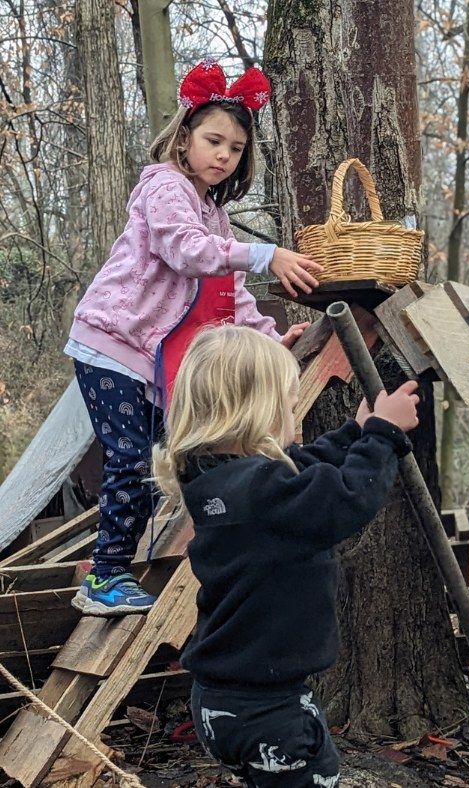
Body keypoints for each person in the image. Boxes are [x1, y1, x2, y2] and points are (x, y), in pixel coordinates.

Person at [66, 58, 321, 616]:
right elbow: (185, 250)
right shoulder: (164, 186)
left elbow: (231, 297)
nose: (223, 155)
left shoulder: (215, 214)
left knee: (178, 454)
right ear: (184, 136)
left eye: (234, 148)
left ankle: (142, 560)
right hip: (112, 343)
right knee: (131, 457)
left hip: (156, 358)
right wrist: (266, 253)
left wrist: (270, 340)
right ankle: (104, 577)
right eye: (213, 140)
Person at [151, 325, 418, 787]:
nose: (294, 411)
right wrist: (382, 436)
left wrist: (354, 432)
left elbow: (301, 468)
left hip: (220, 701)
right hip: (269, 712)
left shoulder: (213, 479)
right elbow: (346, 499)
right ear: (258, 409)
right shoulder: (263, 490)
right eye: (289, 403)